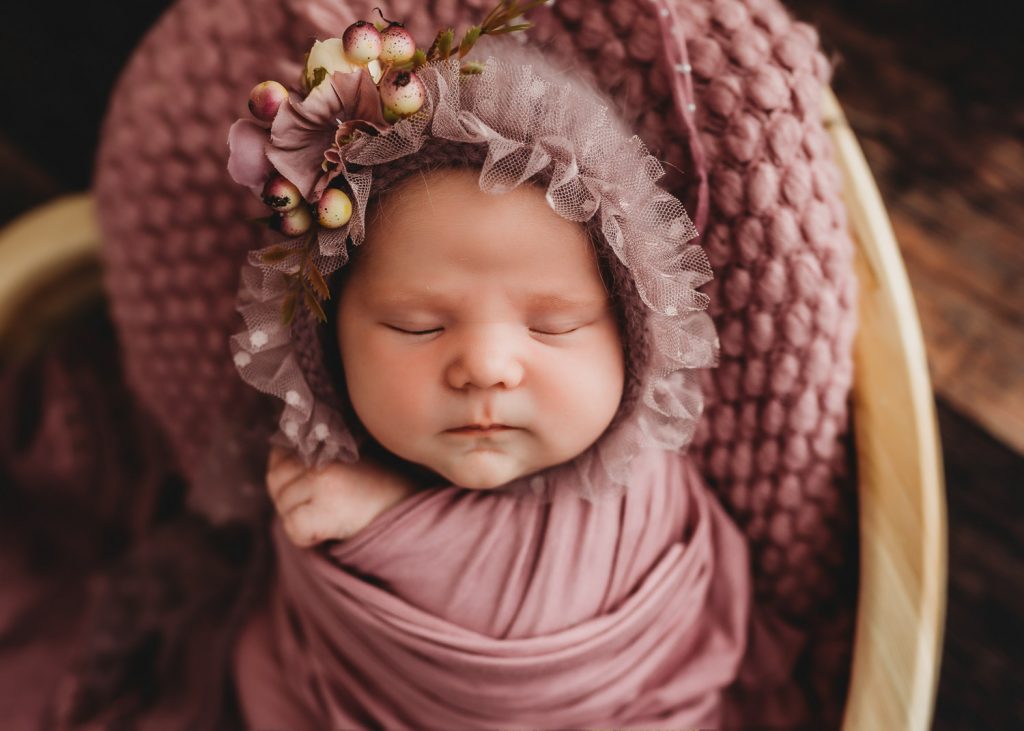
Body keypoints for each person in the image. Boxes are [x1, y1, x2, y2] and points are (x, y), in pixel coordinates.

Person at [225, 26, 806, 728]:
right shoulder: (314, 469)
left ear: (636, 344)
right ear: (324, 343)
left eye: (554, 326)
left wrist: (388, 520)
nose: (487, 368)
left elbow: (551, 616)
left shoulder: (643, 503)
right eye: (417, 326)